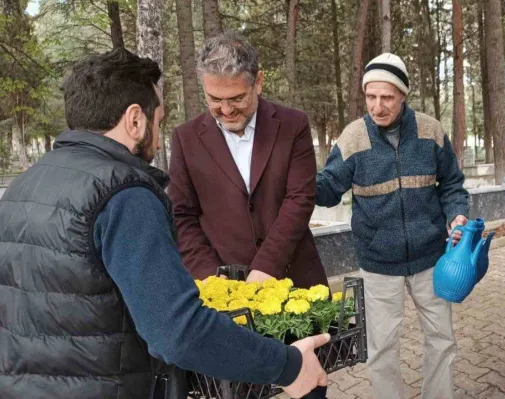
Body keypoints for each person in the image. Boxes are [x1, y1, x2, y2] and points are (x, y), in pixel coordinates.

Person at [0, 48, 329, 399]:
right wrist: (288, 367)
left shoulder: (24, 185)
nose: (158, 138)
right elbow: (177, 330)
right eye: (158, 122)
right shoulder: (125, 194)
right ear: (135, 120)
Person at [316, 52, 470, 399]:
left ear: (403, 95)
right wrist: (297, 178)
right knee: (382, 348)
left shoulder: (430, 131)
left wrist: (456, 214)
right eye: (371, 96)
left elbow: (452, 185)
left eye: (387, 97)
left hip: (431, 259)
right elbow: (327, 190)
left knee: (442, 340)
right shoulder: (353, 137)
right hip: (378, 262)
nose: (378, 106)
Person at [168, 31, 328, 290]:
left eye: (237, 98)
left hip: (295, 279)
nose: (227, 111)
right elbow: (181, 215)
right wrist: (211, 276)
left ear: (258, 82)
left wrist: (267, 266)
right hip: (224, 289)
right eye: (215, 100)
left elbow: (300, 198)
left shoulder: (293, 125)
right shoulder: (185, 138)